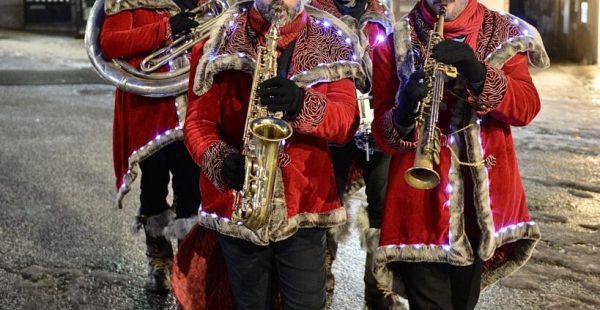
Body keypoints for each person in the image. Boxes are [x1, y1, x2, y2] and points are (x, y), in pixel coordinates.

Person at [182, 0, 366, 307]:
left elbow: (346, 121)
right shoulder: (219, 39)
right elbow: (197, 123)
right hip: (240, 205)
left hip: (305, 204)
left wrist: (301, 103)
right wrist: (220, 159)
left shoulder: (331, 37)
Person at [370, 0, 550, 309]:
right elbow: (384, 139)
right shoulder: (396, 41)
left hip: (479, 212)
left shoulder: (502, 32)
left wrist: (479, 74)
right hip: (420, 210)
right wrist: (402, 113)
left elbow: (527, 108)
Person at [99, 0, 203, 293]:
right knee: (153, 189)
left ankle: (188, 265)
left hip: (192, 110)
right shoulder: (129, 1)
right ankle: (158, 261)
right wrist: (166, 29)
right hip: (149, 114)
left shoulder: (200, 2)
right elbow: (110, 44)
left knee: (192, 191)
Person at [306, 0, 392, 308]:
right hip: (335, 125)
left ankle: (378, 285)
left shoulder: (380, 14)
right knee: (328, 204)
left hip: (377, 126)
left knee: (383, 208)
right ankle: (322, 276)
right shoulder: (315, 14)